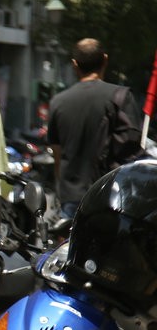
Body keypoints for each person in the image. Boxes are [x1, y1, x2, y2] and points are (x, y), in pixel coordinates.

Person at [47, 38, 143, 218]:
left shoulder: (58, 102)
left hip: (71, 199)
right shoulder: (121, 97)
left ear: (74, 65)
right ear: (105, 60)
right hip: (112, 196)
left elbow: (57, 154)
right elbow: (132, 148)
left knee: (72, 245)